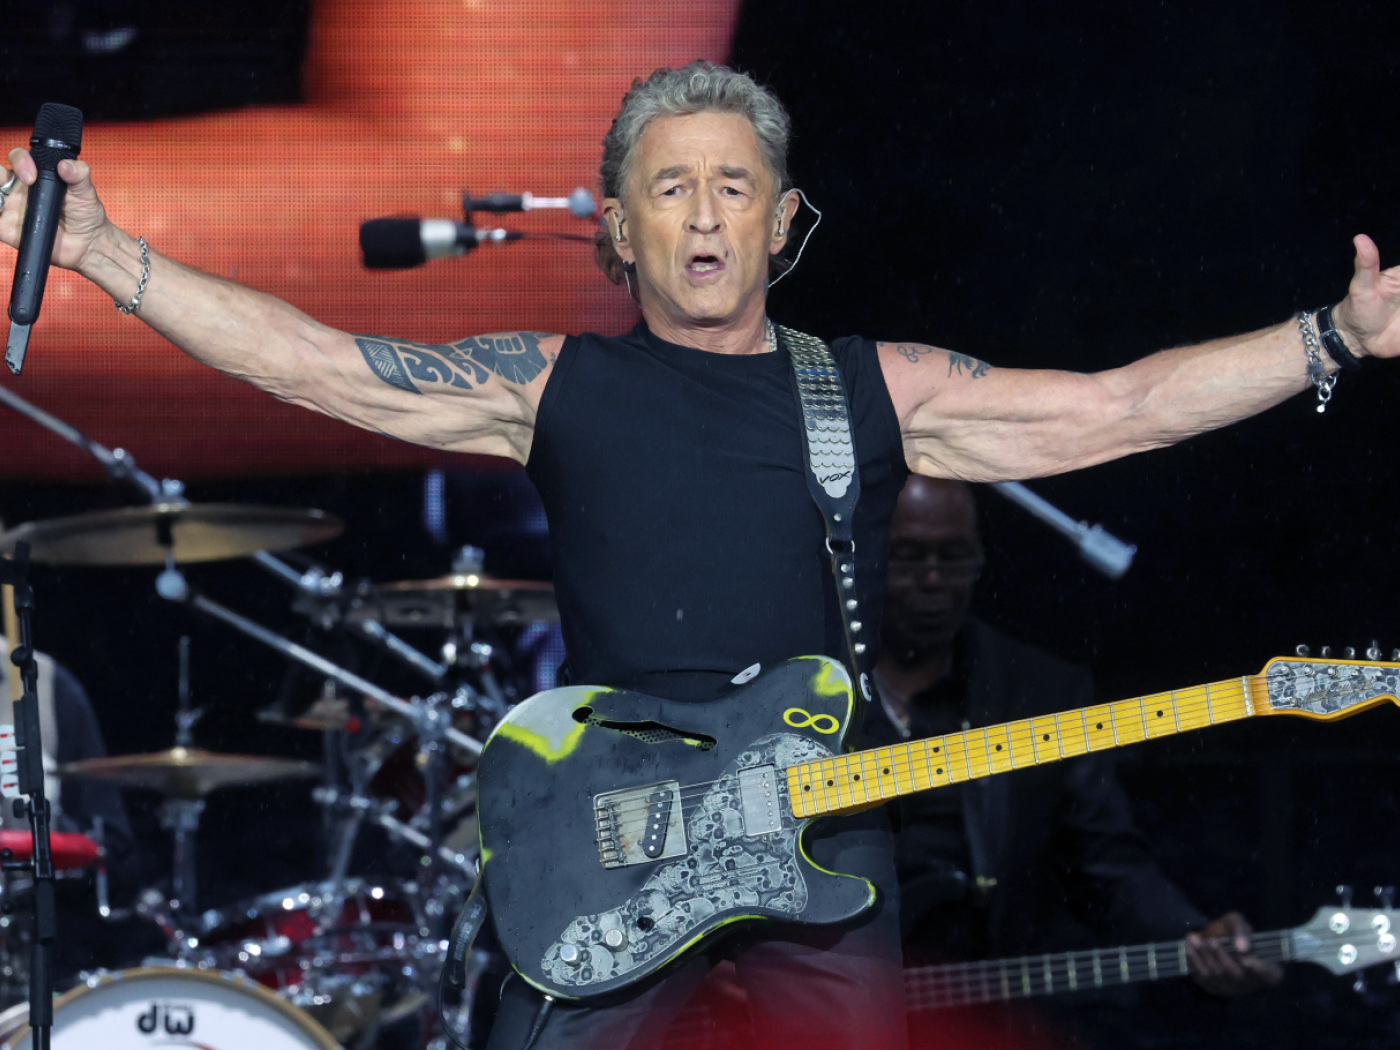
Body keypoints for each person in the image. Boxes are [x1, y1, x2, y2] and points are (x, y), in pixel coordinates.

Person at [1, 59, 1395, 1050]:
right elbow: (321, 365)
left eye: (736, 186)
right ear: (620, 229)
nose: (707, 213)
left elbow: (1116, 408)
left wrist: (1328, 337)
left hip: (821, 826)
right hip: (605, 837)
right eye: (670, 188)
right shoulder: (554, 380)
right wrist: (111, 256)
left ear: (783, 223)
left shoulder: (868, 387)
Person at [868, 477, 1279, 1019]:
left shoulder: (1039, 692)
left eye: (954, 556)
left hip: (975, 1012)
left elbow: (1106, 865)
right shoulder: (802, 692)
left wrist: (1194, 935)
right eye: (907, 556)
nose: (932, 579)